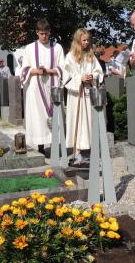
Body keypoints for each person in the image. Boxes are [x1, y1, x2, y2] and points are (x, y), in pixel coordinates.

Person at [20, 20, 65, 152]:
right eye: (41, 34)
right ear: (37, 33)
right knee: (37, 116)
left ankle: (55, 145)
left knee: (55, 115)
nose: (44, 36)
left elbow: (63, 68)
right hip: (35, 88)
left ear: (50, 32)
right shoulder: (29, 48)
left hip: (53, 86)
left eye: (46, 33)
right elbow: (23, 70)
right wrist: (37, 71)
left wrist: (48, 71)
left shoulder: (57, 48)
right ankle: (40, 146)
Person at [64, 28, 103, 166]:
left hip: (88, 94)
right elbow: (66, 78)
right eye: (84, 40)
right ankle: (77, 152)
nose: (86, 42)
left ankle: (88, 153)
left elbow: (99, 72)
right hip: (76, 95)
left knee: (88, 123)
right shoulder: (70, 57)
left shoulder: (91, 56)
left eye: (88, 40)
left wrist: (93, 76)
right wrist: (80, 78)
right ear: (78, 41)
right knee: (77, 122)